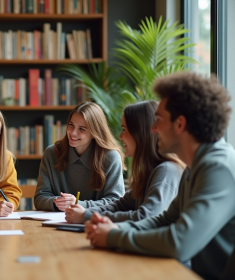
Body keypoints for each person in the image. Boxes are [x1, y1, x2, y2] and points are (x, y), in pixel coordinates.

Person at [85, 72, 235, 280]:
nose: (153, 129)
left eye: (159, 120)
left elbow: (180, 242)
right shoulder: (195, 166)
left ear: (180, 124)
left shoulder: (218, 168)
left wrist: (115, 236)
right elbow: (165, 220)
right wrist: (112, 228)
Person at [65, 101, 184, 224]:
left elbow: (146, 217)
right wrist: (85, 213)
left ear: (140, 133)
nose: (120, 136)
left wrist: (86, 216)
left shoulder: (166, 171)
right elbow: (118, 206)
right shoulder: (149, 172)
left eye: (124, 130)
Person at [34, 101, 125, 212]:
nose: (73, 133)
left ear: (94, 132)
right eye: (71, 125)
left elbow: (116, 201)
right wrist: (58, 203)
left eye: (82, 129)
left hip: (95, 223)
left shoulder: (111, 157)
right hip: (56, 222)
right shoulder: (51, 153)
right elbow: (39, 198)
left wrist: (78, 204)